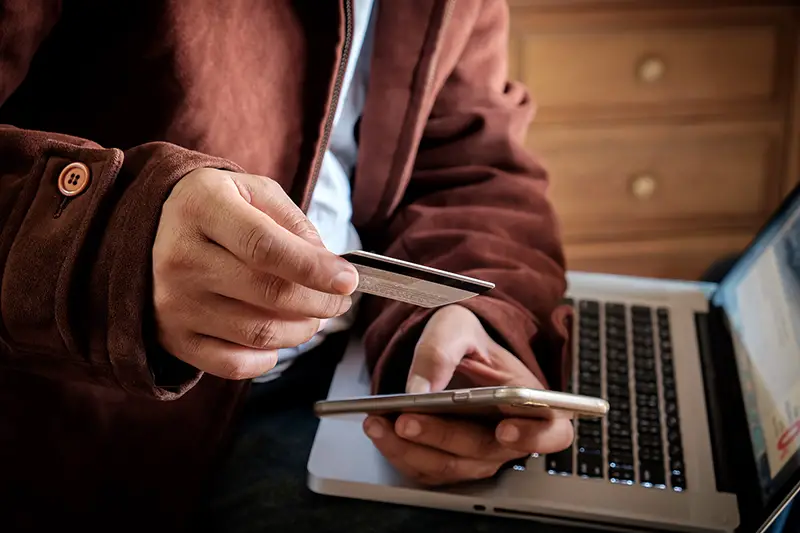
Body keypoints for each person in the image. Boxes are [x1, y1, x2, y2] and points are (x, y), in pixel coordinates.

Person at [0, 1, 574, 531]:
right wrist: (112, 249)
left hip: (358, 379)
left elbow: (467, 164)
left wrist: (471, 320)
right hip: (89, 438)